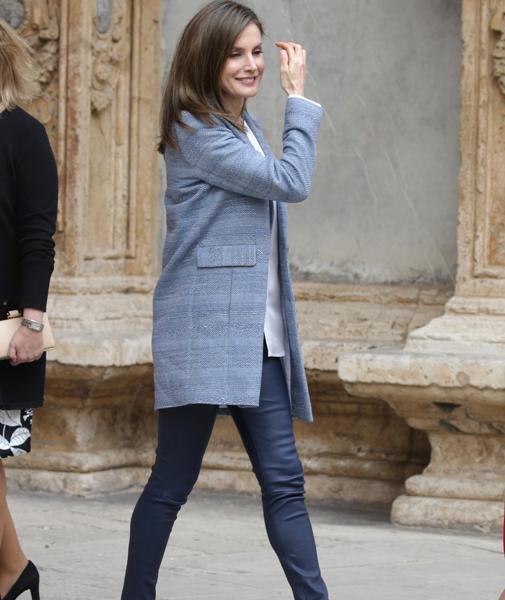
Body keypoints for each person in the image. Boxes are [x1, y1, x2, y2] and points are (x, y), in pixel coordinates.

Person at [121, 1, 328, 598]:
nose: (252, 63)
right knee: (171, 483)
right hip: (205, 330)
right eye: (237, 53)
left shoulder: (245, 129)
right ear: (208, 59)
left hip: (258, 340)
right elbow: (291, 182)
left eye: (257, 51)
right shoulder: (196, 129)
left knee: (285, 483)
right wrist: (300, 100)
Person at [0, 17, 58, 600]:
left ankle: (14, 570)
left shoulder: (23, 134)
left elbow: (37, 239)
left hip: (3, 328)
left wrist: (31, 323)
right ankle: (13, 570)